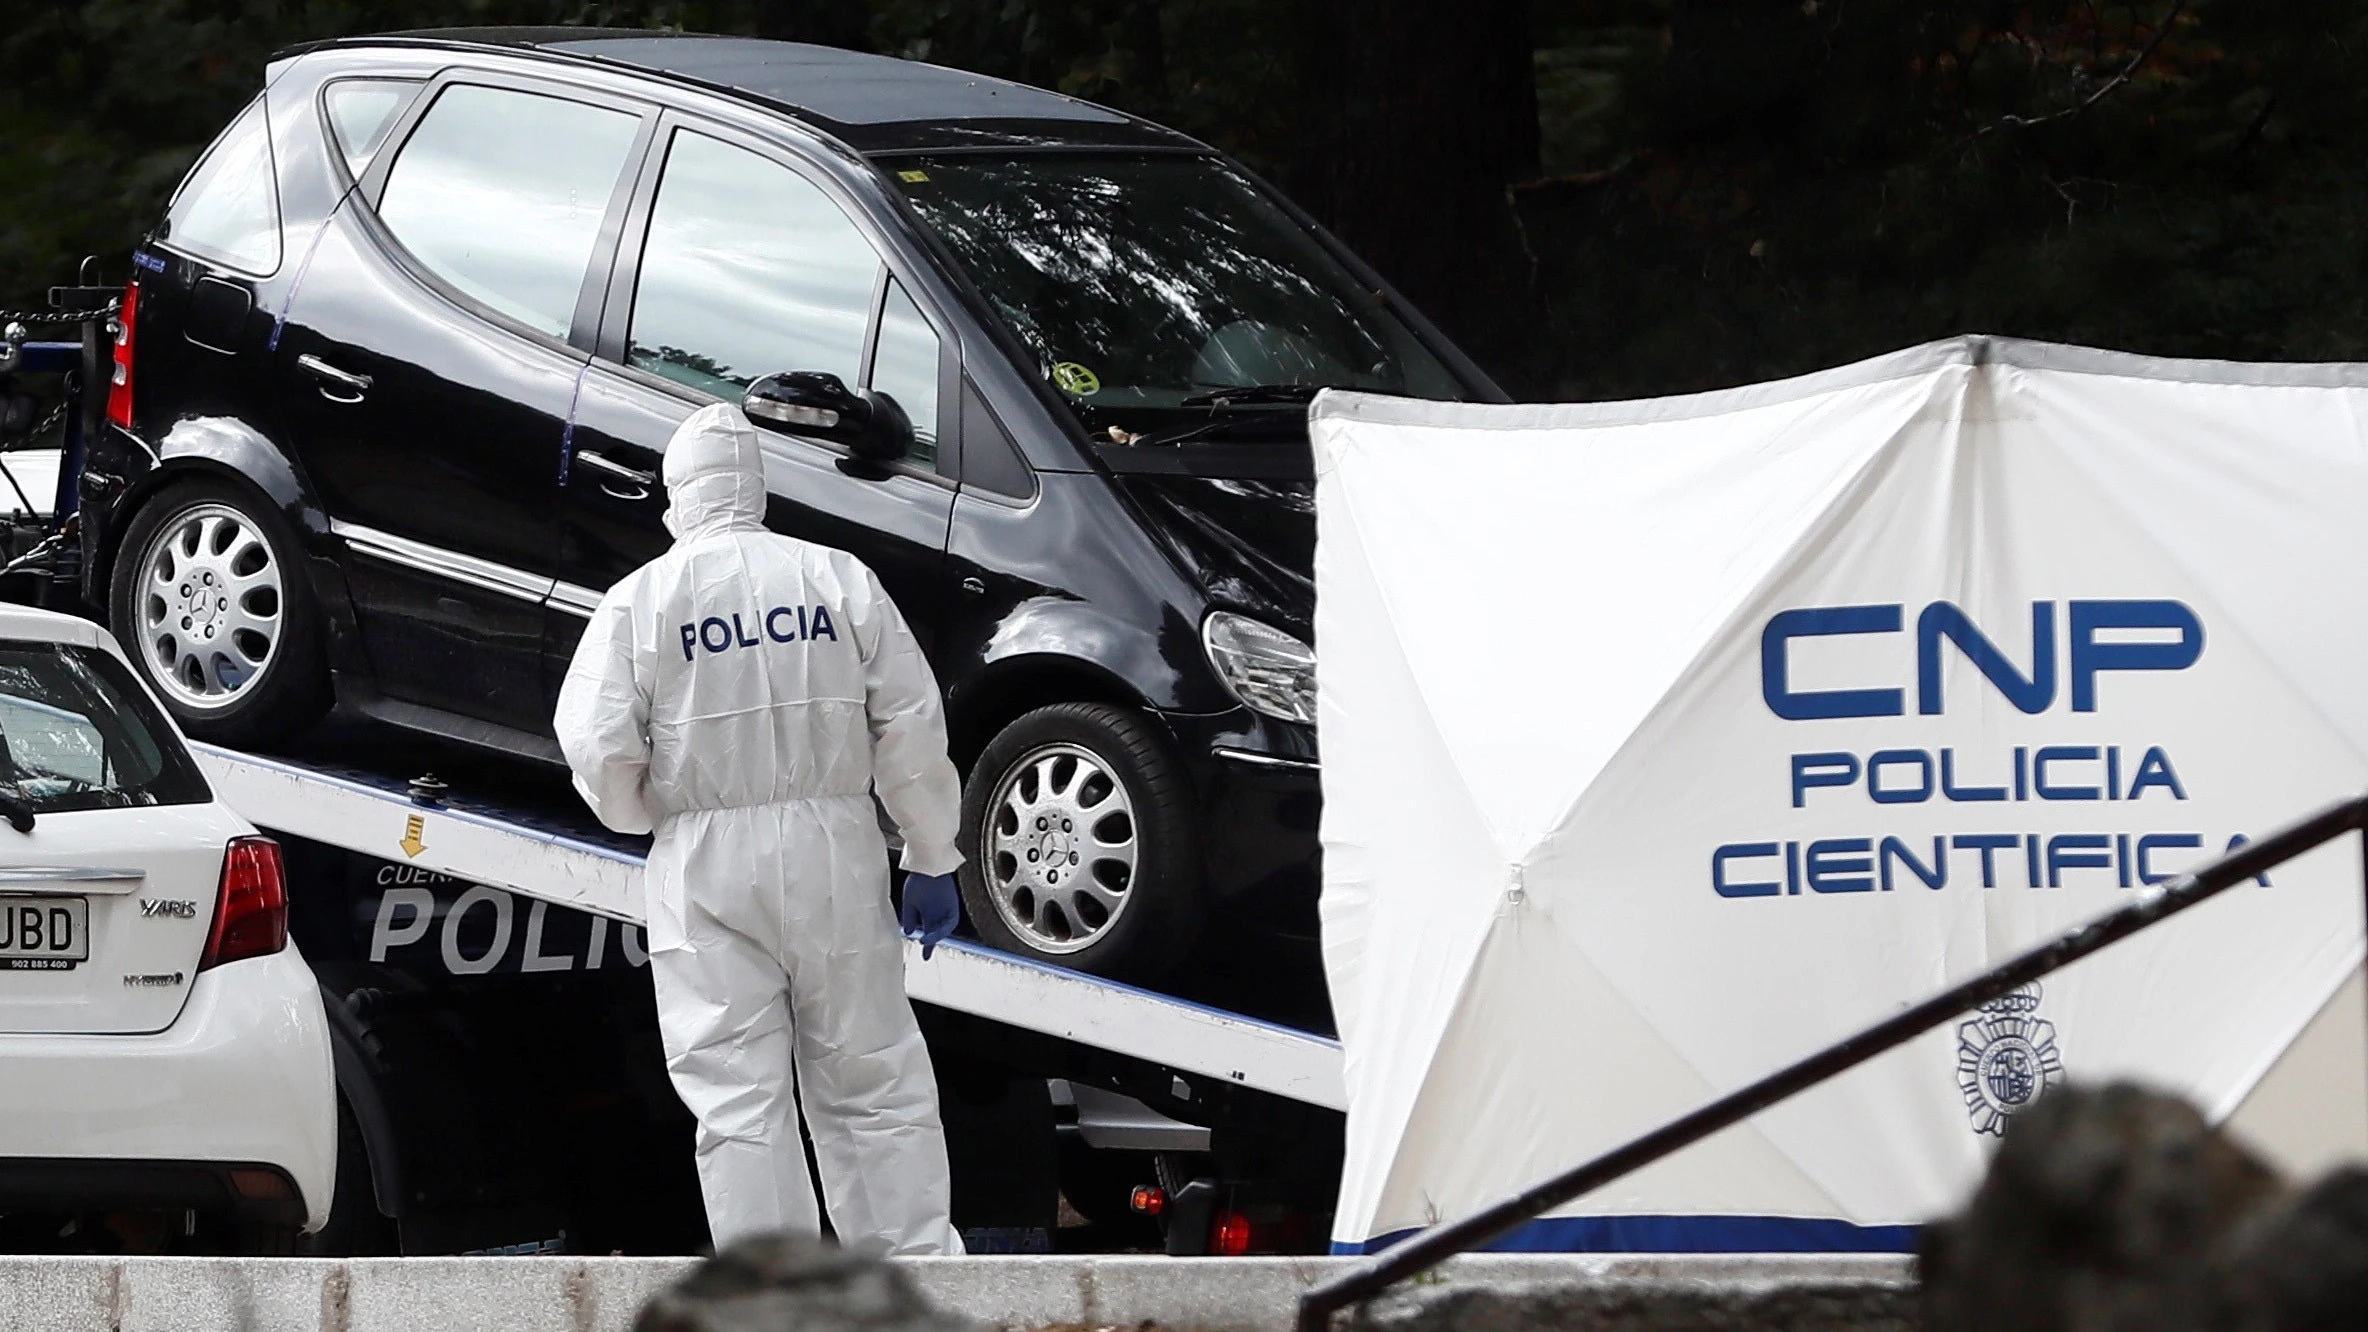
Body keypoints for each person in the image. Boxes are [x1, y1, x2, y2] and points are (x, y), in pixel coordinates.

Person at [555, 402, 967, 1256]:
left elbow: (596, 745)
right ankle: (917, 1283)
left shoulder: (643, 601)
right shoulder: (836, 578)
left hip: (703, 863)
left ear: (677, 497)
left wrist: (646, 817)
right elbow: (911, 725)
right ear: (757, 487)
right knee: (871, 1080)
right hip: (837, 853)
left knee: (738, 1102)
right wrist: (931, 851)